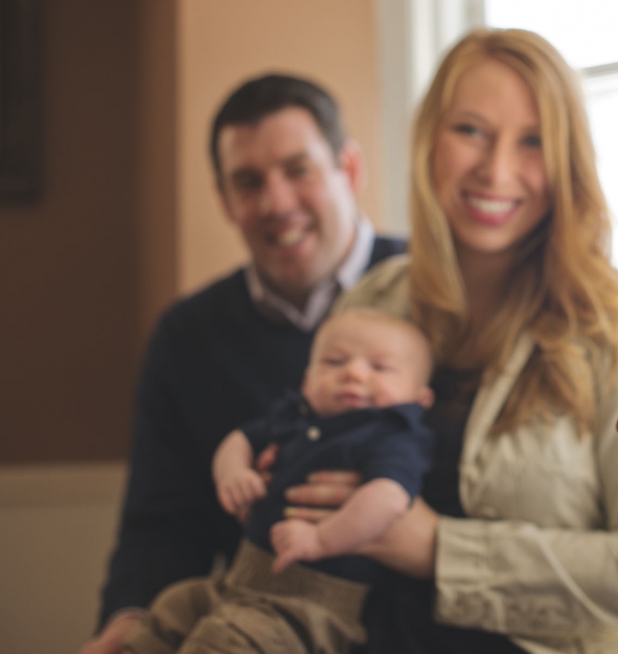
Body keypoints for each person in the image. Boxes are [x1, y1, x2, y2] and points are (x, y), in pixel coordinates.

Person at [319, 28, 618, 653]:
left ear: (568, 162)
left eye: (533, 142)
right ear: (431, 139)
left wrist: (440, 550)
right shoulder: (372, 300)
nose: (497, 170)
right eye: (472, 131)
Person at [80, 74, 406, 654]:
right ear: (226, 199)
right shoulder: (188, 335)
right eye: (249, 182)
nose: (277, 204)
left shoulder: (429, 292)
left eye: (298, 170)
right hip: (253, 615)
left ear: (348, 171)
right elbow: (163, 521)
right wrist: (128, 620)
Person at [123, 309, 435, 654]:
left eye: (380, 367)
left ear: (420, 400)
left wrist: (321, 538)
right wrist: (235, 473)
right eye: (334, 361)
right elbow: (239, 439)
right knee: (174, 606)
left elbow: (389, 499)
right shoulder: (295, 416)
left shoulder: (392, 436)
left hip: (310, 605)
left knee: (227, 641)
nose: (353, 373)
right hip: (239, 580)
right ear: (307, 379)